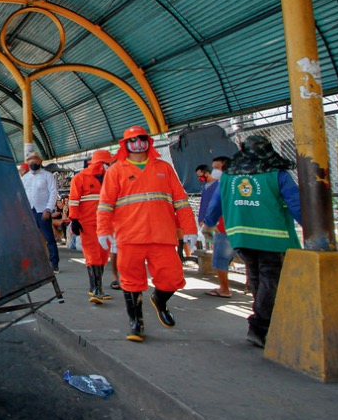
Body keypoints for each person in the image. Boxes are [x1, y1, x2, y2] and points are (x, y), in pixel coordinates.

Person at [96, 126, 197, 342]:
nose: (138, 143)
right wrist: (103, 229)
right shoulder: (116, 170)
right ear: (125, 145)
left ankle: (160, 300)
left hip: (162, 235)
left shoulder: (164, 168)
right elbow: (105, 204)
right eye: (133, 140)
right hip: (130, 237)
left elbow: (181, 201)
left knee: (172, 279)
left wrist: (190, 229)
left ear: (148, 142)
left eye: (142, 139)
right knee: (131, 281)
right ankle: (136, 323)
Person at [203, 136, 302, 349]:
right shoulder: (278, 174)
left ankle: (260, 319)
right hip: (273, 238)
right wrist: (312, 229)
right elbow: (296, 202)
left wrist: (208, 224)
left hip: (241, 236)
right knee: (269, 277)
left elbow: (216, 203)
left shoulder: (229, 176)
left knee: (256, 275)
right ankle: (261, 325)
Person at [68, 149, 114, 303]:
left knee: (103, 254)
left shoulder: (111, 178)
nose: (109, 165)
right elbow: (74, 199)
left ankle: (95, 287)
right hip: (87, 223)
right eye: (107, 162)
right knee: (93, 254)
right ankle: (97, 290)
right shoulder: (80, 178)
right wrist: (74, 219)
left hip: (107, 223)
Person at [196, 160, 233, 298]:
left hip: (223, 226)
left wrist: (209, 223)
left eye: (217, 167)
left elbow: (214, 205)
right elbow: (205, 204)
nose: (214, 171)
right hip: (235, 226)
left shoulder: (222, 183)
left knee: (220, 258)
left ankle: (225, 289)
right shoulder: (207, 186)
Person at [22, 151, 61, 273]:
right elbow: (22, 194)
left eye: (35, 160)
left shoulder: (47, 175)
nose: (33, 162)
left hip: (43, 211)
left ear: (40, 161)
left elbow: (53, 192)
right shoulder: (25, 178)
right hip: (30, 211)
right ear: (28, 162)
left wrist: (48, 209)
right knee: (31, 238)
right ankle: (35, 262)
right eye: (31, 160)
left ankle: (54, 263)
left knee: (49, 238)